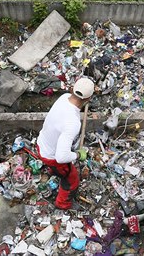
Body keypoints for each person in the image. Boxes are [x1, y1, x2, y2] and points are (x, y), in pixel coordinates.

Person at [36, 77, 94, 210]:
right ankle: (62, 204)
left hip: (42, 143)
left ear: (73, 89)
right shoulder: (73, 122)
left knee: (61, 167)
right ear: (88, 99)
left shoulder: (64, 97)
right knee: (72, 180)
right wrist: (78, 155)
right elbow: (61, 157)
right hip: (51, 156)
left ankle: (54, 171)